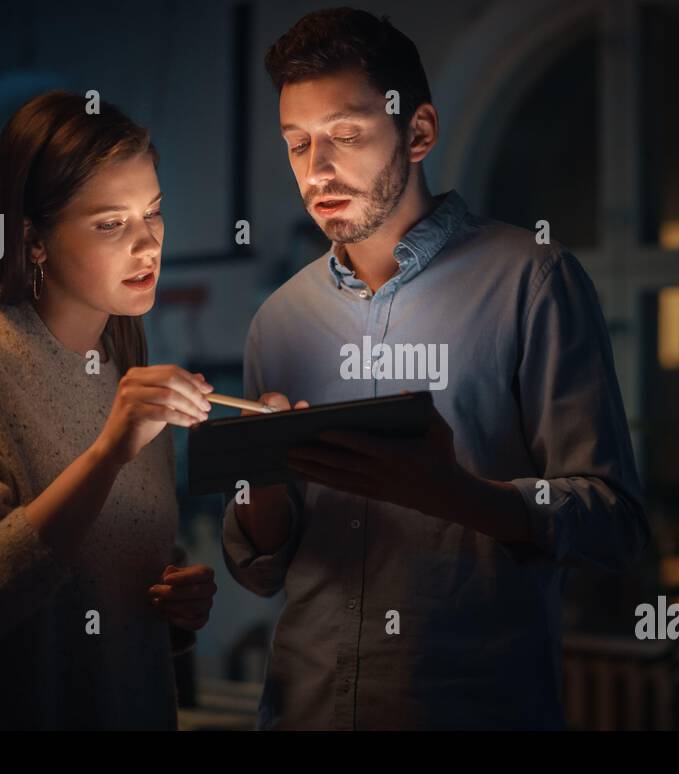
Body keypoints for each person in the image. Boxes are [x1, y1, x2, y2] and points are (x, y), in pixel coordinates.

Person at [222, 8, 650, 729]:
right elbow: (262, 568)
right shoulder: (279, 319)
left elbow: (614, 523)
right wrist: (262, 487)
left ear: (418, 131)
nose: (317, 171)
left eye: (346, 136)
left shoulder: (534, 283)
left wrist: (457, 495)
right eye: (298, 144)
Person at [0, 91, 216, 729]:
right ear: (34, 240)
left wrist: (169, 604)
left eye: (154, 214)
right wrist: (107, 455)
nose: (148, 245)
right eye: (111, 224)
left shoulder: (127, 379)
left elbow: (78, 600)